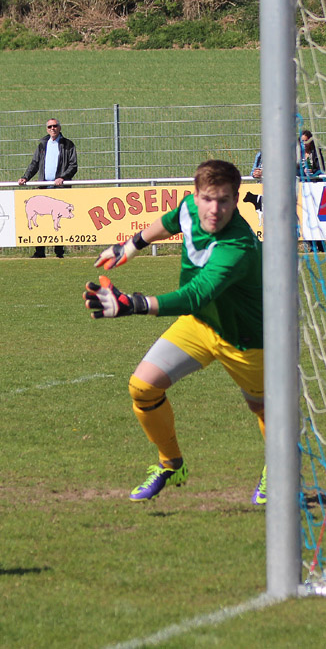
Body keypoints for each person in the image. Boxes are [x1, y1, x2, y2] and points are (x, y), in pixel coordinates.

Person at [83, 159, 266, 504]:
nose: (215, 209)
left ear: (237, 199)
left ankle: (279, 470)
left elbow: (194, 295)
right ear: (195, 196)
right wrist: (130, 245)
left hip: (245, 339)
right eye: (208, 199)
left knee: (265, 410)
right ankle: (171, 465)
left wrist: (133, 303)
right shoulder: (188, 209)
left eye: (224, 200)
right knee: (143, 387)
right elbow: (168, 223)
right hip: (200, 324)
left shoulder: (238, 246)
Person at [19, 118, 78, 258]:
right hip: (43, 187)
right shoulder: (42, 145)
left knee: (58, 218)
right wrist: (25, 177)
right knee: (40, 219)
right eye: (50, 126)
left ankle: (59, 252)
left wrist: (62, 177)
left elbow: (73, 165)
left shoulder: (68, 145)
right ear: (47, 129)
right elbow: (34, 163)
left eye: (55, 126)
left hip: (60, 189)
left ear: (59, 127)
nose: (52, 128)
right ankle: (39, 252)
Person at [299, 130, 326, 252]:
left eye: (306, 141)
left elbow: (322, 170)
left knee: (314, 217)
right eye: (302, 141)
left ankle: (320, 245)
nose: (304, 143)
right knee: (304, 218)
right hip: (301, 187)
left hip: (314, 187)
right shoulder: (296, 154)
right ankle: (311, 245)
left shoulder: (316, 153)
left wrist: (313, 173)